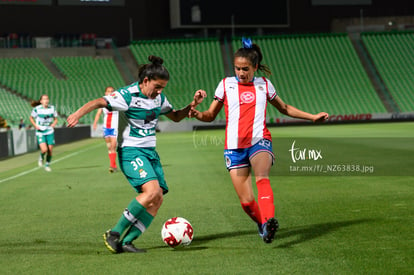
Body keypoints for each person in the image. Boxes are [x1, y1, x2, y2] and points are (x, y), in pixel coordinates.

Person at [190, 38, 329, 244]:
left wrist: (312, 117)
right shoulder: (225, 84)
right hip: (234, 148)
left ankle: (269, 220)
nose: (240, 73)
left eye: (245, 68)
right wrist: (197, 112)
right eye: (237, 68)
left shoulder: (264, 84)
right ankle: (264, 226)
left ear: (255, 67)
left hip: (259, 140)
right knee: (246, 202)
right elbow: (210, 115)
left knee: (262, 177)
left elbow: (285, 108)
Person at [67, 55, 206, 253]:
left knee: (157, 198)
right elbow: (99, 101)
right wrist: (77, 114)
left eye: (162, 88)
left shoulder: (159, 97)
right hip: (131, 151)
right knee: (150, 192)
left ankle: (127, 241)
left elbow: (175, 116)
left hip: (150, 152)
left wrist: (191, 105)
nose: (159, 92)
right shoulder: (127, 95)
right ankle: (114, 233)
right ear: (146, 81)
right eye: (157, 87)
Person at [93, 86, 119, 173]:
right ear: (105, 93)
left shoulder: (117, 102)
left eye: (112, 91)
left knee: (113, 146)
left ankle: (112, 165)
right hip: (106, 127)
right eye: (108, 91)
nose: (110, 93)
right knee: (109, 147)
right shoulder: (103, 103)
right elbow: (98, 113)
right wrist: (95, 123)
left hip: (114, 127)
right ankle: (113, 165)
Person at [29, 94, 58, 172]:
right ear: (41, 101)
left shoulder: (52, 108)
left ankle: (47, 165)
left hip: (49, 131)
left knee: (50, 150)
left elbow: (56, 119)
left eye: (47, 99)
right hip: (40, 131)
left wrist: (53, 124)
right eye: (44, 99)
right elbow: (31, 118)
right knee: (44, 150)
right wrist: (35, 125)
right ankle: (41, 158)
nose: (46, 100)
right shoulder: (37, 109)